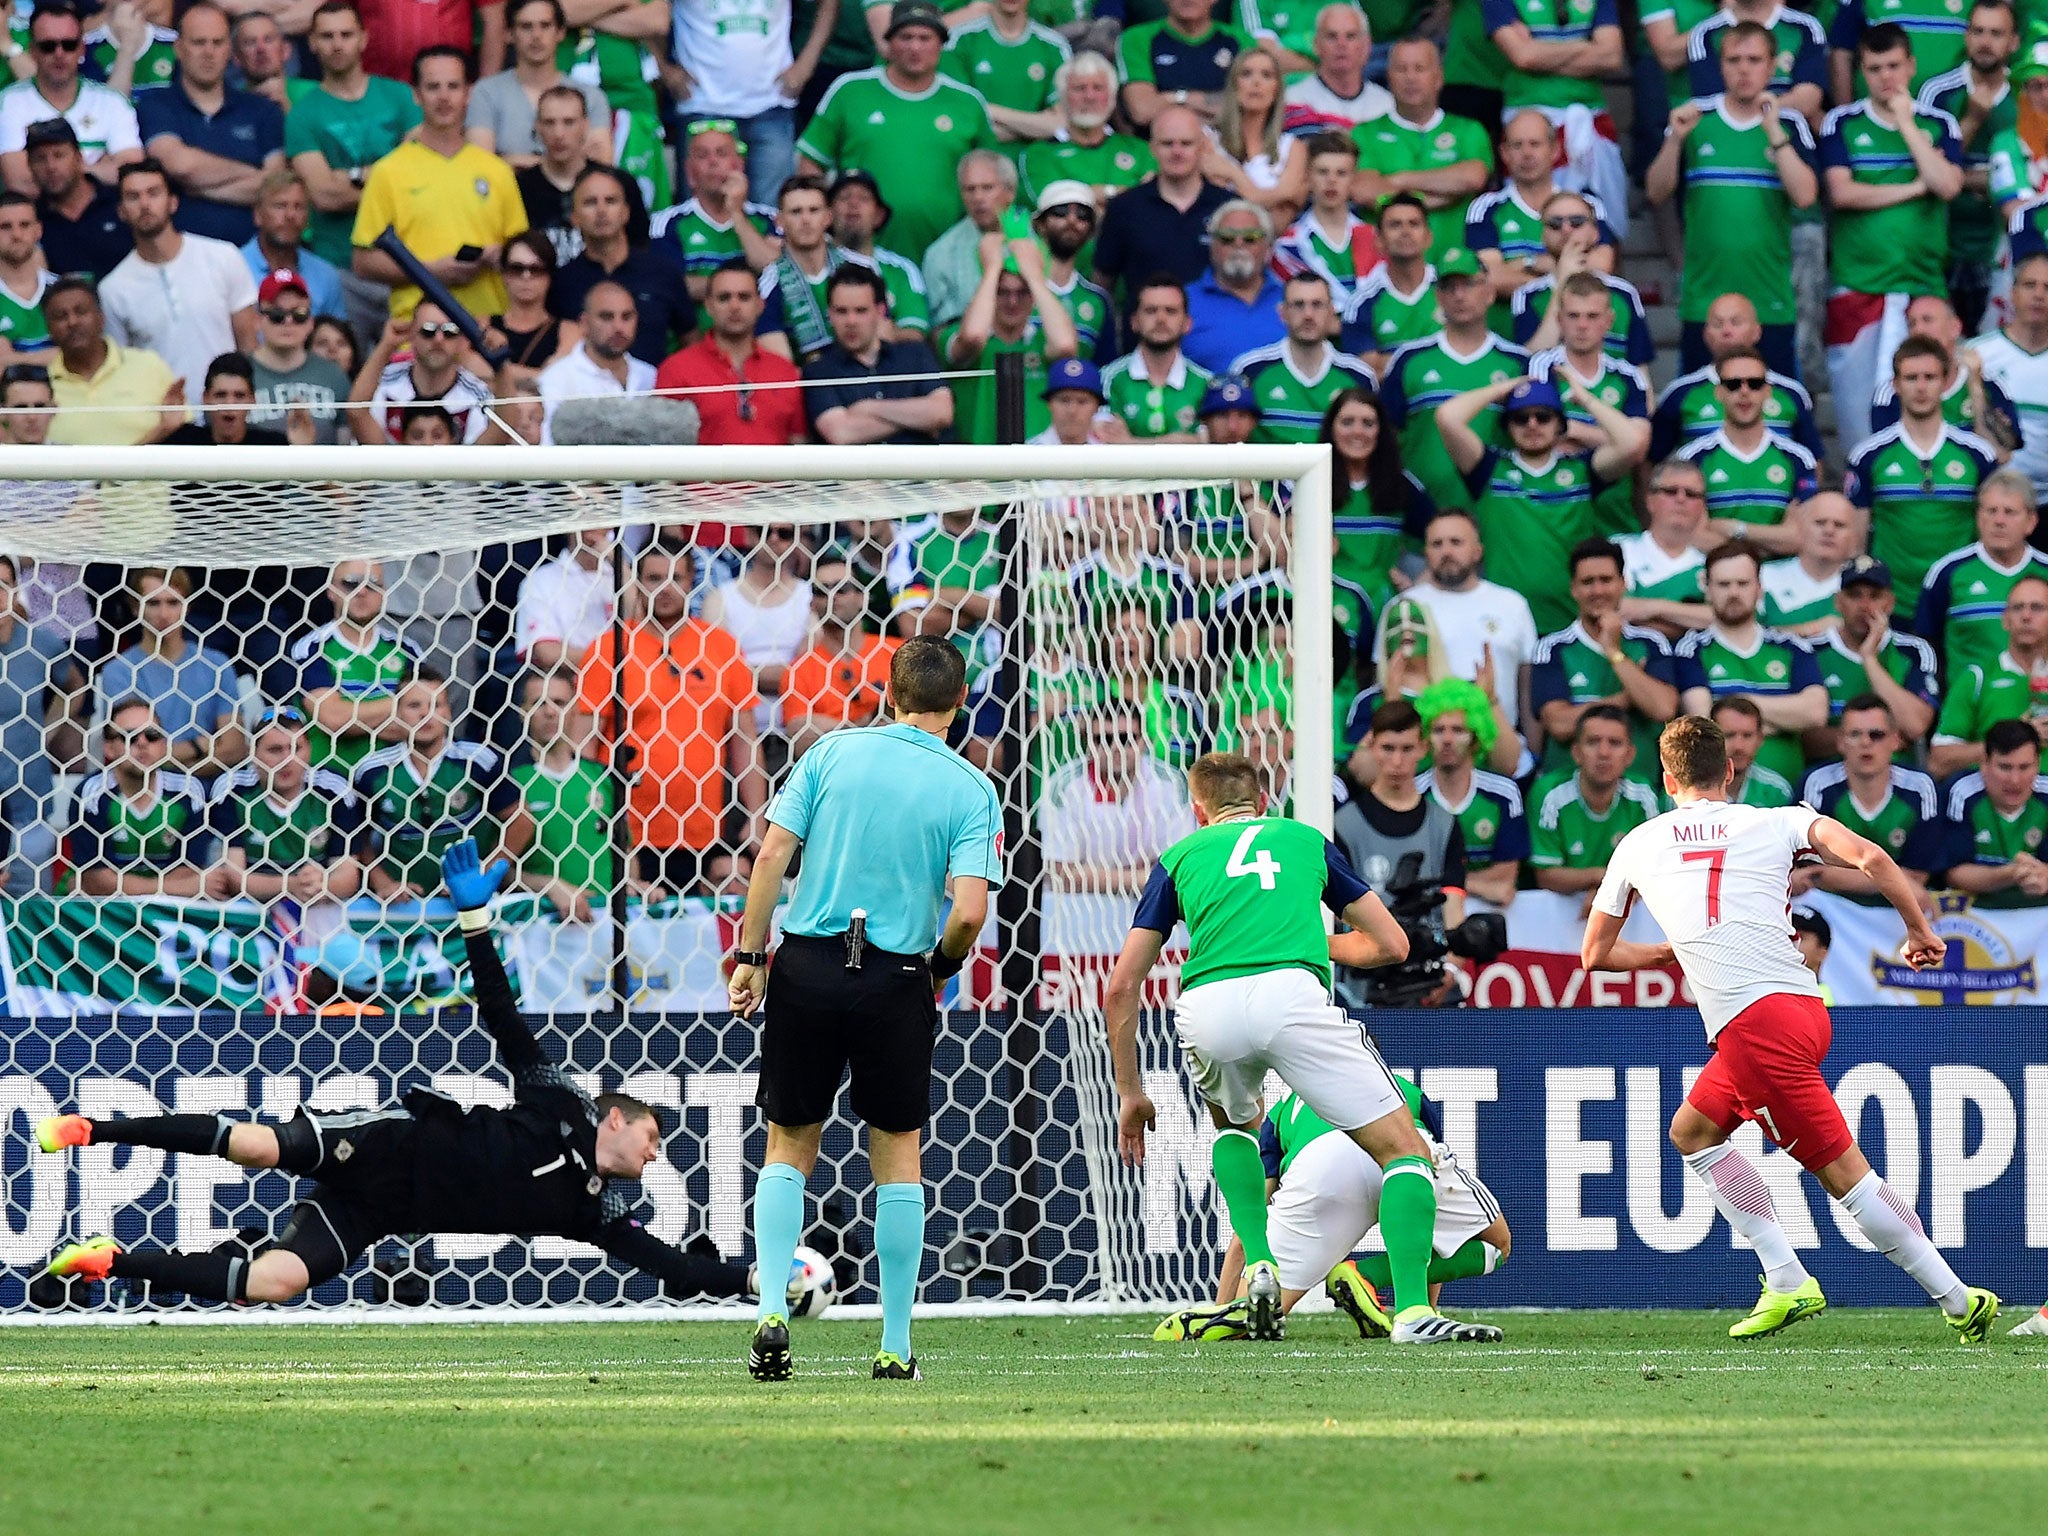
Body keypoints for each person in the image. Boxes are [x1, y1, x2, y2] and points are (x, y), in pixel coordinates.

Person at [41, 838, 753, 1307]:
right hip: (388, 1142)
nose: (656, 1154)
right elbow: (503, 1017)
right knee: (258, 1145)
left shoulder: (594, 1213)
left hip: (380, 1212)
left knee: (276, 1283)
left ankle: (108, 1261)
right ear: (616, 1118)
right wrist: (474, 919)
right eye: (654, 1136)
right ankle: (93, 1128)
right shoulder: (561, 1100)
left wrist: (759, 1280)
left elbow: (679, 1271)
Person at [1584, 714, 1999, 1343]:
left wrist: (1664, 954)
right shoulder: (1777, 818)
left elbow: (1595, 956)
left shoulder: (1638, 843)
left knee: (1846, 1177)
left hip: (1753, 1025)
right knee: (1693, 1131)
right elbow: (1871, 857)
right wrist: (1919, 929)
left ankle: (1957, 1297)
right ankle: (1782, 1275)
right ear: (1728, 771)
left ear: (1666, 779)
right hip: (1801, 1009)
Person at [1105, 750, 1500, 1346]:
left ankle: (1260, 1263)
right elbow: (1391, 944)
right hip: (1292, 995)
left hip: (1207, 1004)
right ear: (1264, 802)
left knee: (1236, 1130)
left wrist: (1131, 1092)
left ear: (1198, 811)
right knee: (1405, 1153)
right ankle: (1414, 1312)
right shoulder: (1305, 840)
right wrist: (1315, 945)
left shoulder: (1178, 858)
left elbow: (1121, 986)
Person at [724, 634, 1000, 1380]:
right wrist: (936, 972)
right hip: (895, 974)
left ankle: (772, 1312)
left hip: (808, 964)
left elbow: (773, 856)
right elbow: (969, 912)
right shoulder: (972, 788)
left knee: (788, 1145)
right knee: (898, 1157)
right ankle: (895, 1344)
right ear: (960, 702)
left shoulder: (829, 754)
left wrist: (752, 957)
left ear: (888, 692)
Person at [1155, 1072, 1511, 1343]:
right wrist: (1427, 1308)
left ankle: (1225, 1317)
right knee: (1497, 1243)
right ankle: (1370, 1278)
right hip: (1399, 1151)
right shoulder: (1404, 1088)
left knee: (1258, 1312)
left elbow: (1252, 1221)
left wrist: (1225, 1300)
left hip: (1320, 1169)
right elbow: (1428, 1212)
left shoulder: (1283, 1111)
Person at [578, 539, 766, 894]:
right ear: (637, 583)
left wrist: (756, 815)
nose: (664, 588)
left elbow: (745, 740)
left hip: (703, 830)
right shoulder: (609, 648)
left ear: (691, 581)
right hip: (626, 832)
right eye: (653, 578)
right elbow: (583, 748)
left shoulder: (722, 648)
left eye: (675, 578)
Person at [1821, 24, 1965, 450]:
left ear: (1912, 66)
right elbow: (1843, 193)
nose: (1886, 77)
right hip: (1859, 289)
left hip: (1923, 289)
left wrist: (1906, 122)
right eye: (1874, 68)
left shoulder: (1939, 123)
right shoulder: (1840, 122)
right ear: (1862, 70)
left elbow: (1948, 186)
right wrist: (1913, 187)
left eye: (1894, 66)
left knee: (1926, 411)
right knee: (1857, 421)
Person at [1647, 23, 1818, 379]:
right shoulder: (1694, 120)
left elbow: (1805, 196)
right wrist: (1674, 141)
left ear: (1772, 66)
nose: (1744, 69)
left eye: (1754, 60)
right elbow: (1656, 192)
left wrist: (1773, 131)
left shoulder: (1790, 124)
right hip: (1705, 305)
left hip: (1768, 303)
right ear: (1720, 66)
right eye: (1734, 60)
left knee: (1778, 409)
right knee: (1700, 409)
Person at [1437, 373, 1648, 634]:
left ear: (1560, 424)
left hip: (1570, 623)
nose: (1532, 425)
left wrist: (1586, 399)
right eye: (1520, 418)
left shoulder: (1583, 471)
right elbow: (1447, 417)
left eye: (1543, 417)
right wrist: (1503, 388)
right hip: (1501, 623)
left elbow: (1632, 443)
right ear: (1508, 425)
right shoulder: (1489, 470)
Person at [795, 1, 994, 262]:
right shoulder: (850, 91)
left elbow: (991, 175)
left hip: (950, 254)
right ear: (889, 42)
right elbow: (810, 164)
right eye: (905, 37)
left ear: (941, 44)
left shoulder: (968, 102)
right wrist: (825, 224)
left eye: (925, 38)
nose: (915, 47)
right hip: (861, 253)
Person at [351, 46, 527, 326]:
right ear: (416, 95)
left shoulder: (497, 171)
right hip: (415, 333)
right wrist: (430, 270)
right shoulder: (388, 172)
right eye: (433, 87)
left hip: (485, 328)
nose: (444, 97)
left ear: (468, 93)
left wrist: (499, 255)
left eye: (453, 86)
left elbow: (523, 253)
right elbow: (363, 261)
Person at [286, 0, 422, 340]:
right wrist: (389, 177)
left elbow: (417, 178)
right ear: (312, 42)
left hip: (408, 260)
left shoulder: (401, 96)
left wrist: (351, 176)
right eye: (327, 36)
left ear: (364, 38)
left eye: (346, 34)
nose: (337, 44)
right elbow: (324, 196)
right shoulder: (302, 115)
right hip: (340, 267)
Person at [1846, 335, 2001, 601]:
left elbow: (1991, 531)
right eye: (1911, 378)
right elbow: (1856, 540)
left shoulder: (1978, 454)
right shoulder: (1868, 455)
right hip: (1891, 599)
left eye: (1929, 377)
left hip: (1961, 597)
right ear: (1896, 385)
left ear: (1944, 382)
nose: (1921, 387)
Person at [1376, 245, 1527, 513]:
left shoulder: (1517, 363)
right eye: (1449, 287)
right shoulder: (1409, 359)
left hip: (1499, 522)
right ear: (1438, 297)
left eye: (1468, 284)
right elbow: (1386, 439)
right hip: (1422, 523)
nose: (1459, 295)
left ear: (1490, 293)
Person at [96, 158, 257, 400]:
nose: (145, 204)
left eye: (154, 193)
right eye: (133, 196)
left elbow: (249, 344)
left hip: (225, 413)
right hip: (164, 419)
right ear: (121, 211)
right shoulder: (113, 289)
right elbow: (123, 368)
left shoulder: (223, 256)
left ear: (173, 202)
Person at [351, 668, 513, 904]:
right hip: (402, 907)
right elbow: (357, 837)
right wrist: (383, 883)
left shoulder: (478, 760)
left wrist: (485, 872)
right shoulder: (372, 771)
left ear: (449, 712)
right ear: (396, 713)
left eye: (436, 705)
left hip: (470, 902)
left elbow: (520, 819)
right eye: (414, 706)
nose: (426, 714)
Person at [1333, 699, 1470, 978]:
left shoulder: (1444, 825)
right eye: (1388, 748)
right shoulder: (1343, 824)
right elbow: (1335, 913)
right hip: (1362, 978)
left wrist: (1452, 969)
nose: (1397, 761)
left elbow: (1453, 906)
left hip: (1429, 974)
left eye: (1407, 749)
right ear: (1371, 746)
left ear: (1422, 748)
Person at [1676, 541, 1829, 790]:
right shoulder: (1691, 649)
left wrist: (1736, 702)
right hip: (1722, 796)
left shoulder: (1792, 647)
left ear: (1759, 588)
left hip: (1787, 797)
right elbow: (1704, 722)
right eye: (1724, 584)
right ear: (1707, 588)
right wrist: (1782, 719)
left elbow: (1815, 713)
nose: (1734, 593)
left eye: (1743, 583)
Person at [1530, 539, 1682, 788]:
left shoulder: (1652, 643)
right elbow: (1559, 724)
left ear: (1623, 584)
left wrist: (1613, 652)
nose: (1597, 590)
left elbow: (1663, 708)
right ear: (1573, 589)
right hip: (1567, 794)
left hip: (1641, 791)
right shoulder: (1552, 648)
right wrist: (1625, 699)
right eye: (1587, 582)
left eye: (1606, 580)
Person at [133, 2, 283, 247]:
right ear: (179, 48)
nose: (209, 52)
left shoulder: (262, 110)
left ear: (229, 50)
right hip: (180, 258)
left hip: (251, 258)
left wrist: (198, 188)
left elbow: (274, 190)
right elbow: (180, 165)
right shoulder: (155, 106)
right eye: (199, 42)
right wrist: (255, 175)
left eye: (217, 42)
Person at [1913, 2, 2019, 333]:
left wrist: (1966, 179)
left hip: (2000, 248)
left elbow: (2033, 176)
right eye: (1979, 32)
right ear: (1966, 35)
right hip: (1942, 246)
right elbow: (1928, 173)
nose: (1986, 42)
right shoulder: (1938, 91)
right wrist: (1972, 120)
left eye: (1996, 33)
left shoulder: (2025, 97)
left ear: (2013, 42)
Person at [1526, 270, 1653, 539]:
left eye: (1592, 316)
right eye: (1573, 316)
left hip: (1616, 517)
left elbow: (1638, 447)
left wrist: (1572, 429)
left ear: (1609, 321)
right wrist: (1611, 438)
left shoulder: (1629, 377)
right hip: (1556, 511)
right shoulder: (1540, 368)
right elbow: (1537, 438)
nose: (1582, 325)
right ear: (1559, 320)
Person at [1397, 508, 1540, 739]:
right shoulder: (1405, 607)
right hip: (1428, 744)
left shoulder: (1512, 604)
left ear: (1478, 551)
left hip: (1501, 745)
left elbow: (1528, 686)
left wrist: (1532, 752)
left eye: (1456, 542)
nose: (1446, 551)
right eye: (1437, 544)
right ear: (1425, 552)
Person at [671, 0, 834, 203]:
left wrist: (806, 65)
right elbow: (648, 8)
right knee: (701, 216)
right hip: (704, 105)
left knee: (772, 217)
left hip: (772, 104)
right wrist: (662, 68)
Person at [203, 705, 364, 909]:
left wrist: (323, 886)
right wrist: (291, 886)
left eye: (296, 748)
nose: (287, 760)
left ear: (310, 750)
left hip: (317, 907)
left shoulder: (334, 790)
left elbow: (348, 875)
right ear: (252, 753)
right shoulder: (231, 791)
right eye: (275, 750)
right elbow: (233, 879)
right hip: (249, 912)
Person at [1465, 109, 1617, 320]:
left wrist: (1525, 265)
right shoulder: (1485, 208)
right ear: (1504, 153)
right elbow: (1491, 278)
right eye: (1517, 145)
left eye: (1535, 144)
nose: (1527, 153)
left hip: (1571, 341)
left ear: (1555, 150)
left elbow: (1601, 267)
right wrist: (1553, 267)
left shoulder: (1586, 204)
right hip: (1506, 339)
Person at [759, 172, 925, 363]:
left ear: (828, 217)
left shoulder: (862, 269)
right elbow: (780, 363)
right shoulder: (769, 282)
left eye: (813, 210)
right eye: (796, 212)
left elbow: (883, 334)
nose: (805, 220)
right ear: (779, 222)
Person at [1349, 36, 1490, 260]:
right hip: (1385, 266)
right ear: (1389, 78)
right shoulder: (1364, 133)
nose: (1410, 77)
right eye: (1401, 69)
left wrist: (1398, 179)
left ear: (1439, 78)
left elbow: (1472, 177)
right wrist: (1432, 199)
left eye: (1420, 68)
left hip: (1456, 266)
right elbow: (1363, 190)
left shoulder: (1468, 130)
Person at [1674, 344, 1821, 557]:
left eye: (1755, 384)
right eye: (1733, 385)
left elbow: (1800, 537)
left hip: (1779, 580)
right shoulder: (1690, 458)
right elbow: (1694, 536)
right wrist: (1769, 540)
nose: (1744, 392)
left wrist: (1736, 530)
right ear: (1719, 393)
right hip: (1715, 577)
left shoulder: (1800, 459)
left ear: (1767, 392)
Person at [1041, 697, 1196, 897]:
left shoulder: (1170, 784)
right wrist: (1145, 876)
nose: (1115, 748)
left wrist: (1090, 875)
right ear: (1088, 743)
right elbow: (1060, 874)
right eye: (1103, 739)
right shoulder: (1064, 786)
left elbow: (1177, 873)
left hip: (1149, 905)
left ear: (1144, 742)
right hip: (1079, 908)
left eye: (1126, 739)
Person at [1796, 697, 1944, 906]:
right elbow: (1809, 872)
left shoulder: (1920, 788)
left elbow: (1918, 876)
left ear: (1896, 740)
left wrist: (1831, 875)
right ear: (1840, 741)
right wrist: (1897, 879)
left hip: (1896, 908)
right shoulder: (1816, 784)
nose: (1866, 743)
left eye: (1877, 735)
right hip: (1832, 905)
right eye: (1855, 734)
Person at [1649, 291, 1825, 463]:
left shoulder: (1791, 393)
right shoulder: (1680, 393)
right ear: (1705, 335)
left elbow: (1812, 460)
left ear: (1757, 331)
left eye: (1736, 322)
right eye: (1718, 324)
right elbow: (1652, 459)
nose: (1726, 331)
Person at [941, 223, 1078, 444]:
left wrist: (1034, 276)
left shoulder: (1043, 340)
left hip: (1036, 466)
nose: (1012, 302)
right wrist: (992, 269)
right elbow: (973, 337)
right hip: (976, 466)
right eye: (1002, 292)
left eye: (1022, 292)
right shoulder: (954, 334)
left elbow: (1065, 345)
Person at [496, 667, 612, 923]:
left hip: (606, 923)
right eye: (538, 703)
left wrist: (636, 885)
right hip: (539, 927)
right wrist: (547, 885)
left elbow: (624, 851)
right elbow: (498, 871)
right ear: (522, 712)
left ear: (574, 710)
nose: (550, 712)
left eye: (559, 703)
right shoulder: (508, 784)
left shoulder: (602, 777)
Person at [1090, 104, 1233, 311]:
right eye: (1167, 144)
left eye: (1186, 143)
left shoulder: (1229, 208)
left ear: (1202, 147)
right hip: (1144, 337)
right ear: (1152, 148)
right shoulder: (1124, 209)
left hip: (1214, 336)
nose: (1177, 152)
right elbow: (1103, 284)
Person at [550, 164, 696, 365]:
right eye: (590, 202)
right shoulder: (561, 282)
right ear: (574, 217)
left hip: (652, 391)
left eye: (611, 201)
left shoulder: (663, 273)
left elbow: (691, 343)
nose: (601, 211)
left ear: (626, 212)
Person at [1802, 553, 1940, 761]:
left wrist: (1869, 660)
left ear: (1890, 603)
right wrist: (1879, 739)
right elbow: (1807, 739)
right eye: (1855, 595)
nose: (1864, 606)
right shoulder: (1810, 651)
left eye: (1874, 596)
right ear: (1838, 602)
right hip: (1829, 775)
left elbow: (1915, 726)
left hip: (1898, 778)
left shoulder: (1913, 650)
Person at [69, 695, 212, 897]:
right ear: (109, 748)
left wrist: (126, 886)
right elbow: (96, 882)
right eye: (130, 736)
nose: (142, 743)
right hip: (103, 911)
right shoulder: (91, 795)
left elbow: (190, 871)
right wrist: (171, 888)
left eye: (152, 735)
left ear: (164, 745)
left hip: (168, 910)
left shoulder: (188, 792)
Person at [1917, 469, 2048, 679]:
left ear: (2031, 521)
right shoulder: (1947, 573)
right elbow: (1926, 644)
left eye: (2010, 512)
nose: (1999, 521)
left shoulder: (2045, 570)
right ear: (1978, 517)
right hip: (1970, 705)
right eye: (1991, 511)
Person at [658, 257, 805, 444]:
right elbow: (665, 450)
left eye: (744, 297)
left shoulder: (784, 371)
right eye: (724, 298)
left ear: (760, 305)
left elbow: (798, 444)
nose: (734, 306)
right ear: (708, 306)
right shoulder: (676, 369)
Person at [801, 263, 952, 444]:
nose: (851, 321)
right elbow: (841, 433)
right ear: (830, 314)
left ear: (880, 311)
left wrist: (869, 407)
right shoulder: (818, 371)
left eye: (861, 311)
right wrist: (919, 420)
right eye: (841, 311)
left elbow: (942, 413)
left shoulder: (916, 354)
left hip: (919, 470)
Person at [0, 3, 141, 195]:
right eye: (48, 47)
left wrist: (52, 172)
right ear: (32, 50)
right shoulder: (8, 102)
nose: (59, 54)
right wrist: (97, 168)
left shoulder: (112, 102)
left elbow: (132, 175)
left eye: (69, 45)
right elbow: (20, 182)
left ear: (82, 49)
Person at [1529, 704, 1660, 903]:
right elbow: (1546, 876)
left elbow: (1654, 869)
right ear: (1576, 752)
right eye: (1593, 742)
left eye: (1615, 743)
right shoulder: (1549, 794)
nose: (1604, 752)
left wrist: (1608, 889)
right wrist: (1605, 880)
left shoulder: (1643, 795)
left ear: (1630, 755)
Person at [1413, 678, 1527, 907]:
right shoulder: (1414, 794)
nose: (1447, 739)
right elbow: (1410, 877)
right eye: (1438, 730)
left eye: (1458, 730)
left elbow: (1505, 877)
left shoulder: (1504, 794)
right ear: (1425, 737)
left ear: (1476, 737)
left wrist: (1439, 881)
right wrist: (1479, 885)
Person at [1225, 271, 1372, 445]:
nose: (1308, 315)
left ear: (1332, 312)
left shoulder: (1359, 376)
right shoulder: (1249, 369)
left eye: (1317, 305)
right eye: (1298, 305)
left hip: (1333, 472)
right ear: (1282, 312)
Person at [778, 550, 901, 756]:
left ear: (863, 598)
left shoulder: (897, 652)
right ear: (811, 604)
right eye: (821, 591)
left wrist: (831, 727)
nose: (832, 596)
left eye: (842, 589)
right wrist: (870, 721)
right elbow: (801, 743)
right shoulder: (799, 670)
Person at [42, 271, 184, 444]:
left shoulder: (148, 365)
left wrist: (164, 429)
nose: (72, 322)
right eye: (60, 316)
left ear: (101, 317)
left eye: (81, 312)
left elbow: (179, 429)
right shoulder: (40, 386)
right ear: (48, 328)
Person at [1870, 294, 2021, 457]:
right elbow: (1887, 460)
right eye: (1912, 324)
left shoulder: (1989, 384)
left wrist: (1976, 388)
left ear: (1955, 327)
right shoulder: (1892, 390)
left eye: (1927, 320)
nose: (1918, 330)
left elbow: (2001, 454)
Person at [1929, 572, 2048, 776]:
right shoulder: (1977, 678)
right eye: (2018, 608)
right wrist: (2015, 740)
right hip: (1994, 802)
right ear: (2005, 620)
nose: (2026, 616)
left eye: (2037, 608)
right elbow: (1939, 761)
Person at [466, 0, 609, 166]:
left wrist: (512, 161)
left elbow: (601, 167)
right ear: (509, 34)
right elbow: (480, 166)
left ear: (560, 32)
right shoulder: (486, 93)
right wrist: (564, 164)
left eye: (545, 25)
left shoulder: (591, 97)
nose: (536, 35)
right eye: (526, 26)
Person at [516, 86, 647, 265]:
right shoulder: (520, 187)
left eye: (568, 122)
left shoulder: (619, 184)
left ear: (585, 126)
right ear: (537, 126)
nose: (559, 134)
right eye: (549, 122)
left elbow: (640, 251)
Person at [651, 120, 779, 300]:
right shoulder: (665, 223)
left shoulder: (771, 219)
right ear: (689, 172)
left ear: (739, 165)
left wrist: (736, 213)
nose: (713, 162)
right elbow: (669, 285)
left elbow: (780, 276)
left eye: (722, 153)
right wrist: (751, 284)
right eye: (702, 155)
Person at [1018, 50, 1154, 209]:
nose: (1089, 97)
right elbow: (1054, 208)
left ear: (1112, 96)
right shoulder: (1038, 155)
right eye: (1079, 88)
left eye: (1098, 88)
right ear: (1062, 97)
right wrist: (1125, 192)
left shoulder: (1141, 150)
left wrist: (1094, 193)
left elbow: (1153, 205)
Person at [1965, 248, 2048, 501]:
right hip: (1989, 499)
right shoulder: (1977, 354)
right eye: (2029, 285)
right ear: (2012, 293)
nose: (2038, 295)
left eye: (2047, 287)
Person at [351, 300, 495, 444]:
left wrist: (500, 358)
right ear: (411, 334)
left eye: (449, 331)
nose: (438, 339)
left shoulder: (478, 394)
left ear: (462, 338)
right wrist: (387, 344)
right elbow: (356, 412)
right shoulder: (381, 382)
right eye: (428, 330)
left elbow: (497, 439)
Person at [1943, 715, 2048, 906]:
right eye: (2005, 767)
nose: (2015, 780)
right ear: (1984, 763)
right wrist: (2011, 874)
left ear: (2038, 764)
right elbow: (1954, 873)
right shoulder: (1962, 794)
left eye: (2024, 767)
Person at [534, 278, 657, 441]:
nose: (618, 327)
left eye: (626, 317)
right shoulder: (556, 380)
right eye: (607, 317)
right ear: (584, 323)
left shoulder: (650, 375)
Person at [1269, 132, 1374, 315]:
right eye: (1322, 172)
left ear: (1354, 179)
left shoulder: (1376, 240)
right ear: (1308, 178)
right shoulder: (1287, 247)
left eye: (1341, 173)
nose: (1331, 181)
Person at [1200, 44, 1306, 219]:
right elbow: (1219, 206)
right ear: (1234, 85)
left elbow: (1284, 214)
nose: (1256, 83)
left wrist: (1233, 174)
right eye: (1246, 74)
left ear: (1277, 89)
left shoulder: (1293, 148)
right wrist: (1277, 195)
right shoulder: (1207, 140)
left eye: (1266, 75)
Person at [1097, 274, 1208, 442]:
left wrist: (1130, 443)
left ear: (1187, 323)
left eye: (1170, 311)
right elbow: (1104, 443)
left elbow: (1208, 445)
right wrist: (1179, 441)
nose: (1161, 319)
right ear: (1134, 321)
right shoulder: (1107, 378)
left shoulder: (1206, 383)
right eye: (1151, 311)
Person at [939, 0, 1065, 143]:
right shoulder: (960, 40)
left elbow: (1061, 123)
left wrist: (983, 111)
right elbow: (957, 118)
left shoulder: (1054, 46)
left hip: (1036, 159)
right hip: (975, 158)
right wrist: (1033, 127)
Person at [921, 149, 1018, 329]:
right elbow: (941, 330)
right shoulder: (941, 254)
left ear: (1010, 192)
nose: (978, 198)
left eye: (987, 188)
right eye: (969, 190)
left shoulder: (1038, 242)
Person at [1616, 456, 1712, 637]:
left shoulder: (1714, 560)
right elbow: (1616, 611)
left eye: (1691, 494)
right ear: (1649, 500)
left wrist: (1652, 607)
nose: (1681, 499)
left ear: (1702, 507)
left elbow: (1728, 619)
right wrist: (1692, 622)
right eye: (1670, 491)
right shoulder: (1620, 549)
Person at [1117, 0, 1247, 130]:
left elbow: (1247, 107)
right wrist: (1205, 106)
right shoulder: (1137, 38)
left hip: (1227, 146)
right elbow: (1142, 111)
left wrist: (1173, 98)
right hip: (1155, 145)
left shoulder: (1240, 40)